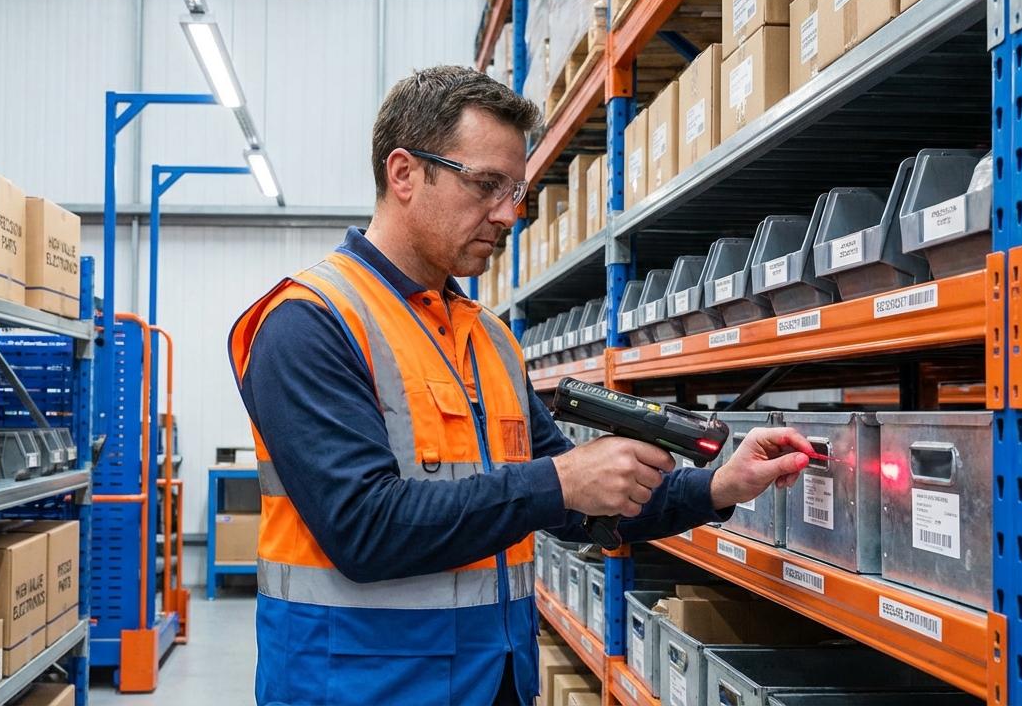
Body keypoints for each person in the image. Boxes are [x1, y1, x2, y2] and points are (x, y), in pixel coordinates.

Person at [228, 65, 814, 706]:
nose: (508, 214)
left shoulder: (488, 339)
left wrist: (717, 485)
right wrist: (562, 481)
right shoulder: (309, 322)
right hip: (361, 688)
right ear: (403, 174)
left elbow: (570, 501)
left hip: (492, 682)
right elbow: (364, 529)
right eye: (485, 185)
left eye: (516, 191)